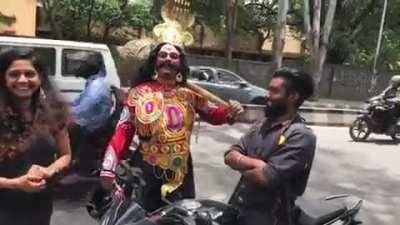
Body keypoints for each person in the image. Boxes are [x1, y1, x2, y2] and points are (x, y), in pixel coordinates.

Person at [100, 42, 243, 212]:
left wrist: (231, 111)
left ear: (180, 64)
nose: (168, 59)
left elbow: (215, 115)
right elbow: (122, 132)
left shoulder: (190, 95)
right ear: (155, 61)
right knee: (140, 218)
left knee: (179, 218)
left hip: (180, 172)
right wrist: (108, 168)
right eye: (163, 55)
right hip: (145, 170)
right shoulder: (137, 93)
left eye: (173, 56)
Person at [224, 68, 316, 225]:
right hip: (240, 208)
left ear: (293, 96)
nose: (267, 95)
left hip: (272, 218)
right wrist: (257, 165)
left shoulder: (301, 136)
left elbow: (266, 177)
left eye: (274, 91)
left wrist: (240, 161)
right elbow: (229, 154)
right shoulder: (261, 124)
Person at [0, 48, 71, 225]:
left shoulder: (54, 113)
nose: (23, 80)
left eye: (29, 74)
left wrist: (49, 170)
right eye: (14, 74)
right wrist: (15, 183)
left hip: (39, 207)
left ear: (40, 78)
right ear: (3, 78)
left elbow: (65, 155)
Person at [69, 51, 114, 173]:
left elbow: (82, 110)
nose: (77, 68)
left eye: (81, 64)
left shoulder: (97, 86)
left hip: (91, 129)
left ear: (90, 67)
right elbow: (77, 103)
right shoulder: (94, 83)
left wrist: (62, 115)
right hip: (90, 126)